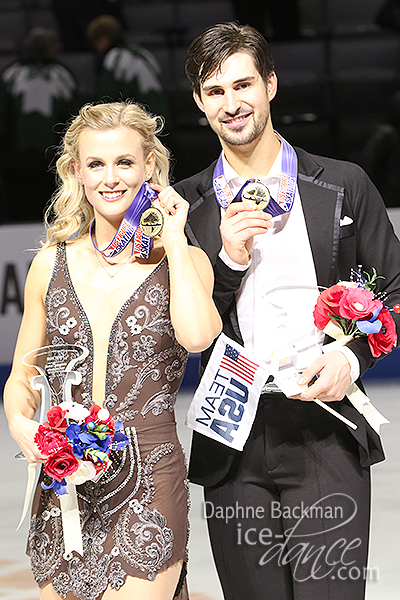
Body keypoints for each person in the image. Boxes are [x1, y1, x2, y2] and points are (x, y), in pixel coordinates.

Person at [174, 22, 400, 600]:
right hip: (234, 439)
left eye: (243, 85)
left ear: (271, 84)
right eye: (215, 91)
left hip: (327, 428)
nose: (232, 103)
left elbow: (395, 292)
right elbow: (185, 331)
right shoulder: (188, 209)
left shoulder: (344, 185)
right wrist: (226, 258)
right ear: (200, 102)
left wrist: (350, 359)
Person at [3, 101, 221, 600]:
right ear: (75, 171)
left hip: (148, 476)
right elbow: (20, 378)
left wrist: (173, 239)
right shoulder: (50, 263)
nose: (110, 178)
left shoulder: (184, 261)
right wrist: (22, 424)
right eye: (96, 164)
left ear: (149, 167)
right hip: (64, 486)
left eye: (124, 162)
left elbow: (196, 336)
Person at [0, 27, 78, 223]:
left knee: (18, 208)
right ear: (49, 49)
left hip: (16, 159)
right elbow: (74, 117)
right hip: (51, 157)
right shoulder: (62, 75)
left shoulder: (11, 74)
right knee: (50, 209)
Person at [86, 15, 172, 130]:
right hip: (162, 116)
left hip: (139, 120)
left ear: (103, 39)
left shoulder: (115, 57)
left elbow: (106, 98)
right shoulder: (143, 54)